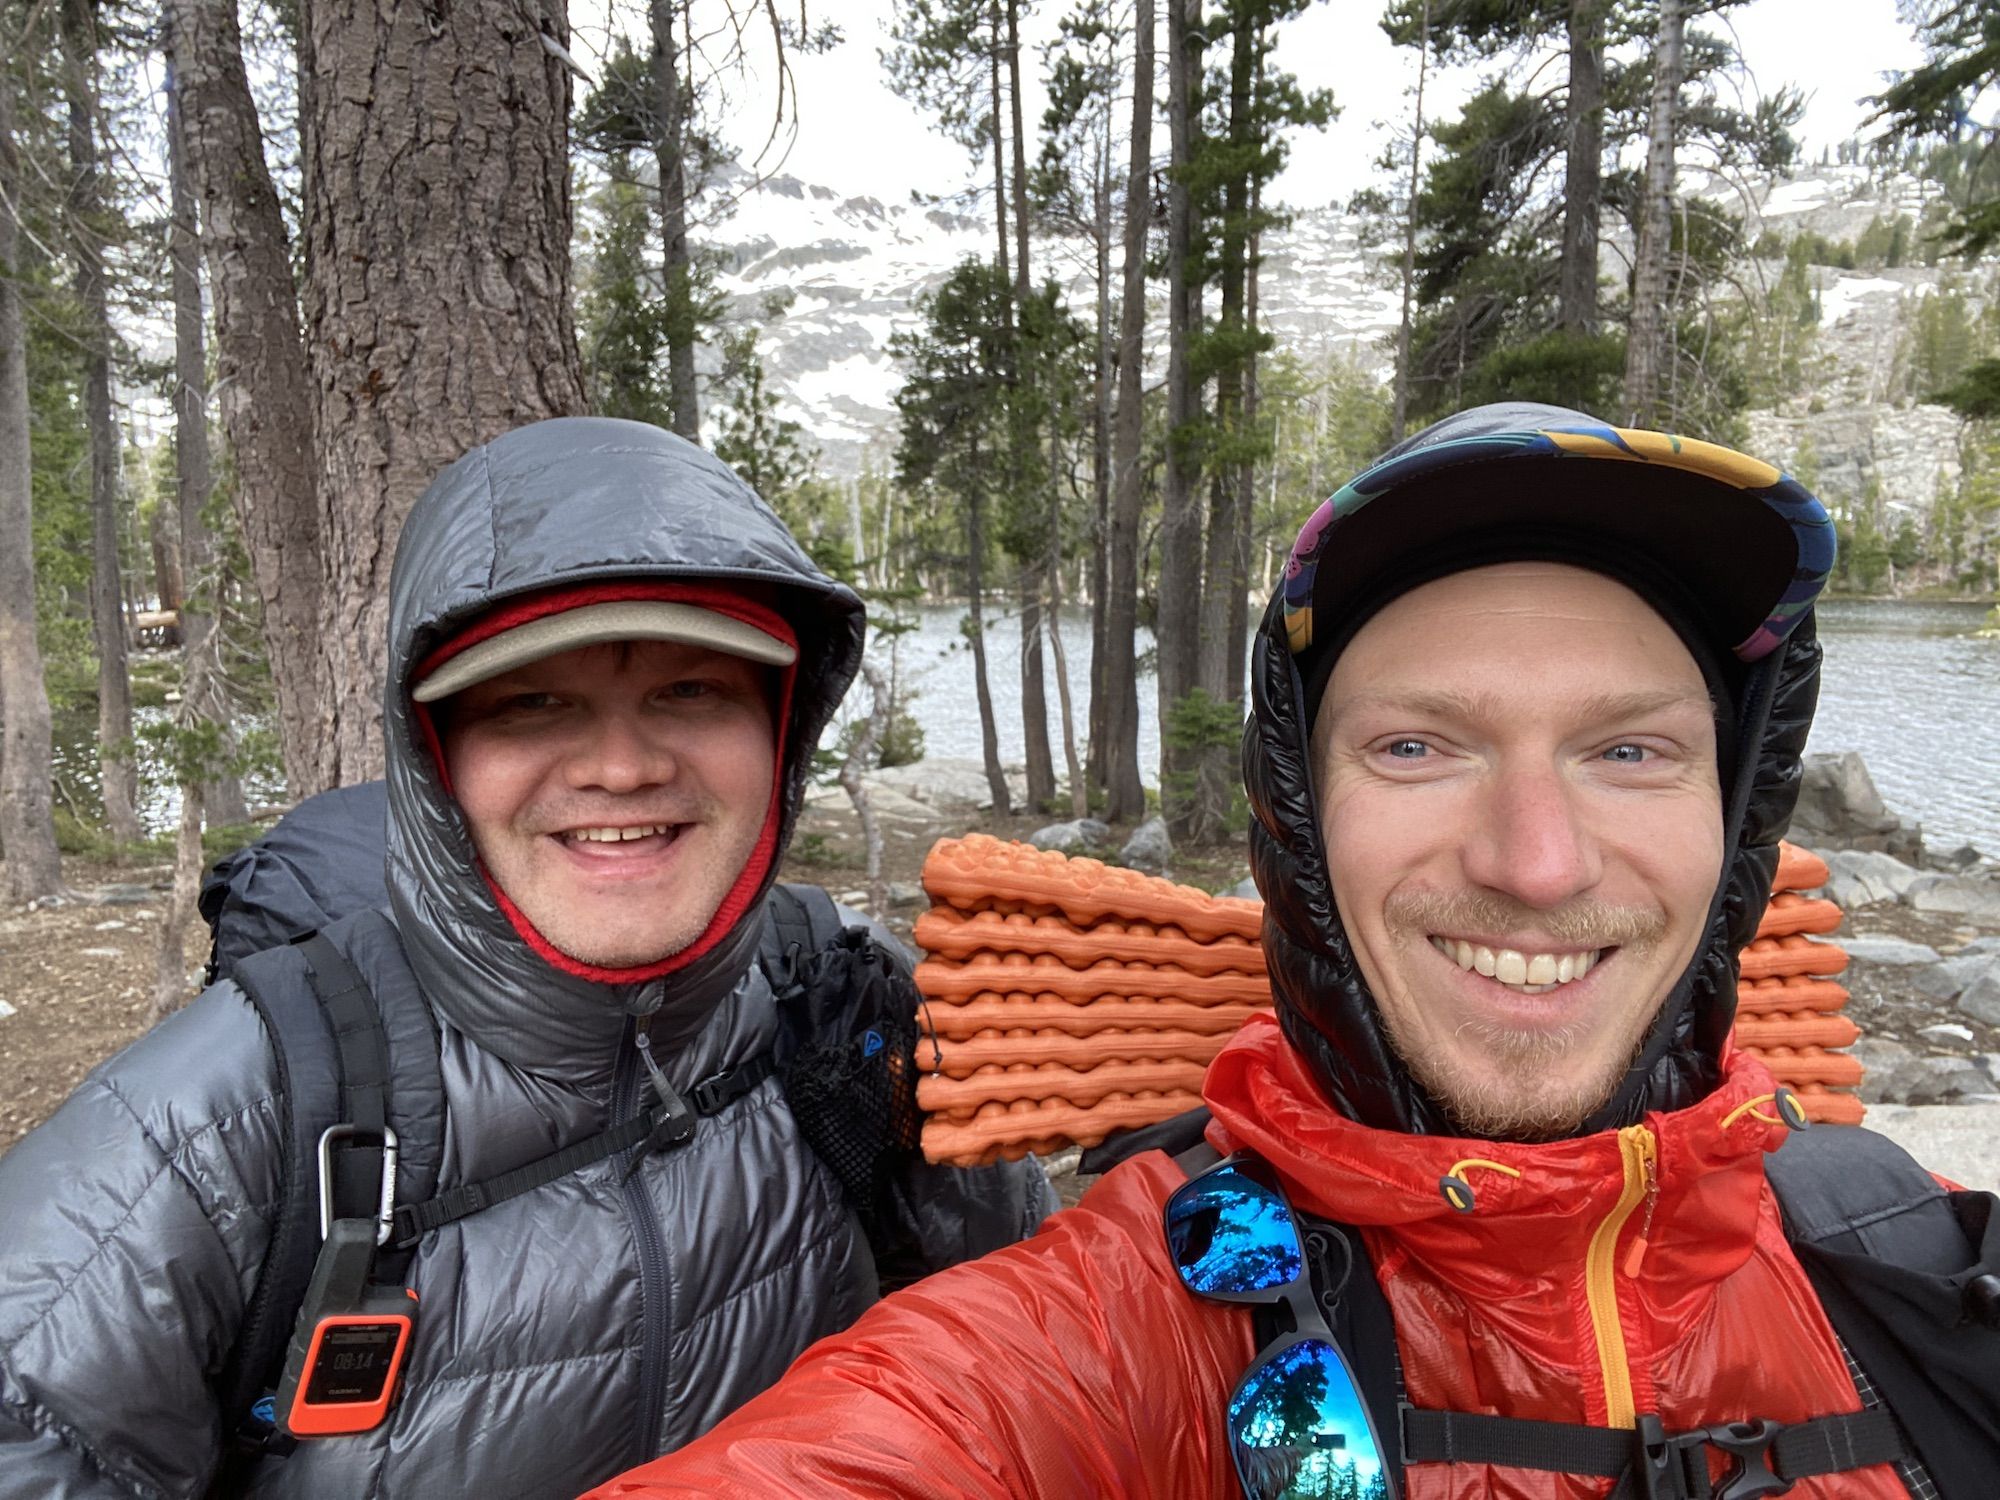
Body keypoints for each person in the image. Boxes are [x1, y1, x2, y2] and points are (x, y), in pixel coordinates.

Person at [586, 403, 2000, 1500]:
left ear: (1735, 826)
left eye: (1629, 750)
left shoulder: (1919, 1273)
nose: (1536, 860)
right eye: (1416, 745)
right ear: (1296, 828)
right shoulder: (1136, 1316)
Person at [0, 417, 1054, 1499]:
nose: (621, 765)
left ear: (781, 727)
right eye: (532, 702)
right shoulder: (210, 1135)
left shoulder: (842, 1002)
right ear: (434, 757)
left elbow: (1033, 1334)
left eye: (691, 690)